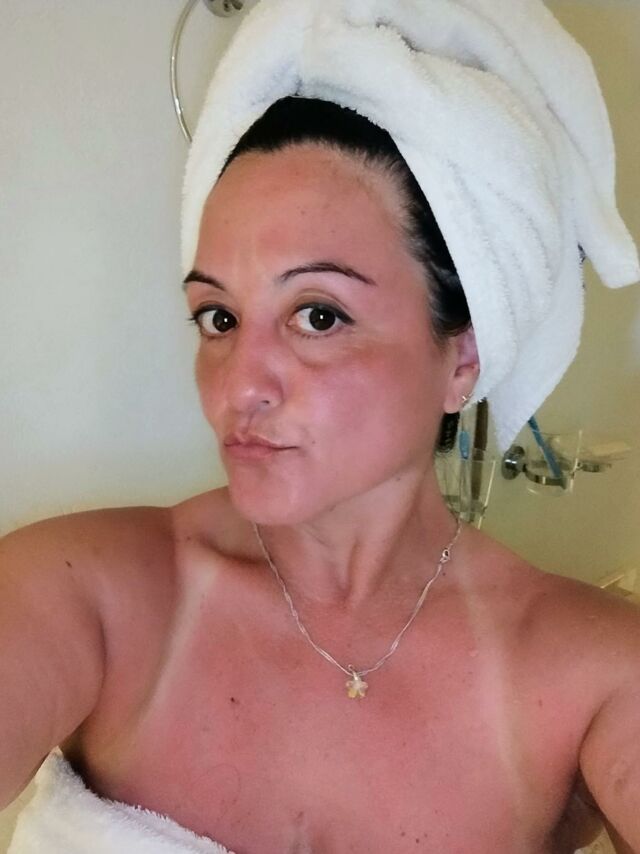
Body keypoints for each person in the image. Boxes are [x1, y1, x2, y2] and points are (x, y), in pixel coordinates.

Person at [3, 2, 640, 853]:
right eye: (219, 318)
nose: (240, 385)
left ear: (463, 358)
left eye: (318, 315)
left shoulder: (593, 675)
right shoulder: (84, 596)